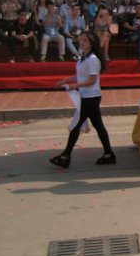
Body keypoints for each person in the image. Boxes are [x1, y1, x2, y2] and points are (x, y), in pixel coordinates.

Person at [50, 30, 116, 168]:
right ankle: (109, 153)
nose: (82, 43)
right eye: (80, 40)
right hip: (87, 96)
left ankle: (66, 155)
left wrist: (76, 85)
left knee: (76, 125)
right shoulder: (83, 57)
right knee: (98, 125)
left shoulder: (92, 59)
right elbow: (80, 75)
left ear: (91, 43)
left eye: (85, 40)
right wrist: (65, 80)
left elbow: (92, 80)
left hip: (91, 97)